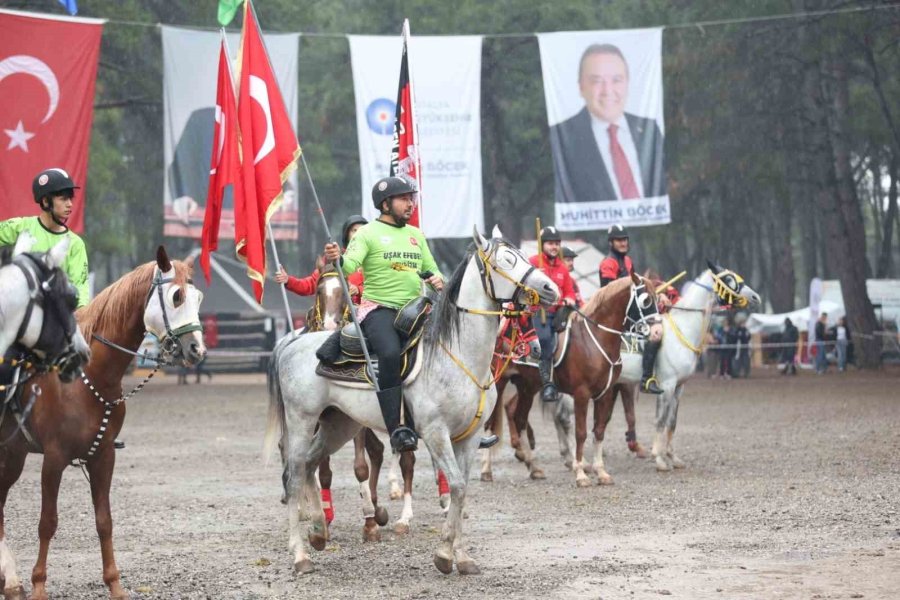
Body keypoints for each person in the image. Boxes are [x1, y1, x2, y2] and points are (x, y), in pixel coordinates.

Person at [323, 177, 444, 454]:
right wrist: (337, 258)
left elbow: (433, 269)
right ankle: (396, 430)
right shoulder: (367, 233)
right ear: (385, 204)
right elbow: (349, 265)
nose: (410, 204)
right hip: (379, 310)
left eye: (411, 198)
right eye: (404, 199)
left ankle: (457, 424)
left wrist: (438, 279)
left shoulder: (416, 235)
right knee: (389, 353)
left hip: (417, 310)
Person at [549, 43, 666, 205]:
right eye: (597, 81)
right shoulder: (562, 137)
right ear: (581, 87)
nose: (607, 90)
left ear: (627, 84)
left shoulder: (649, 130)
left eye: (616, 80)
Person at [0, 168, 89, 307]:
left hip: (54, 314)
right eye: (64, 199)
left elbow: (81, 287)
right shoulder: (20, 227)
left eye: (70, 198)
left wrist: (81, 313)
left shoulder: (76, 244)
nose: (70, 204)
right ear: (46, 201)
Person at [599, 224, 664, 394]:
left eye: (625, 240)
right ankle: (646, 378)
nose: (623, 243)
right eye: (619, 240)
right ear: (611, 242)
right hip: (615, 314)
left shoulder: (628, 261)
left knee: (657, 329)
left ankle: (650, 377)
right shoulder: (607, 263)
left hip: (629, 311)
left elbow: (636, 286)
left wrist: (656, 294)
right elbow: (610, 293)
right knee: (653, 334)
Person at [528, 226, 577, 403]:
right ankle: (547, 384)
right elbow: (522, 289)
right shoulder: (532, 263)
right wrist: (534, 279)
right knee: (545, 339)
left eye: (557, 243)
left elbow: (569, 291)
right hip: (538, 313)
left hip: (558, 314)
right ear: (542, 245)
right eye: (550, 243)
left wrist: (569, 299)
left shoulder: (562, 268)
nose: (554, 247)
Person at [275, 215, 367, 303]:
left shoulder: (372, 259)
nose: (358, 234)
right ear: (347, 234)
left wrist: (358, 290)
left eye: (362, 231)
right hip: (335, 311)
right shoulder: (334, 259)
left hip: (365, 311)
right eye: (354, 230)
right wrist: (288, 280)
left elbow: (376, 291)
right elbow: (310, 285)